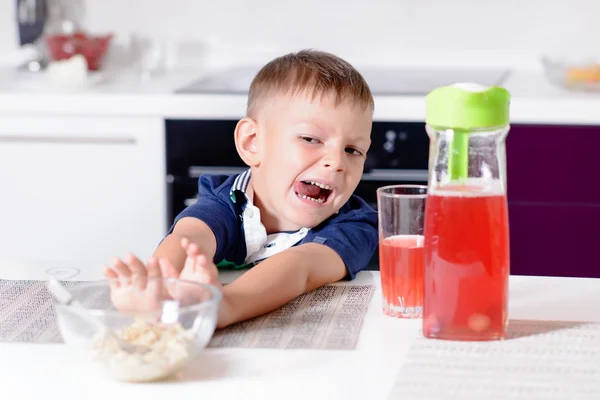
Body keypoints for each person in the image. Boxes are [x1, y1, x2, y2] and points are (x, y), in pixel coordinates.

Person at [104, 49, 378, 328]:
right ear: (252, 143)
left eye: (353, 150)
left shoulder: (355, 226)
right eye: (310, 139)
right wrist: (158, 287)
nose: (337, 162)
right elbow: (191, 236)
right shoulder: (228, 199)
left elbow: (300, 267)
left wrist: (224, 306)